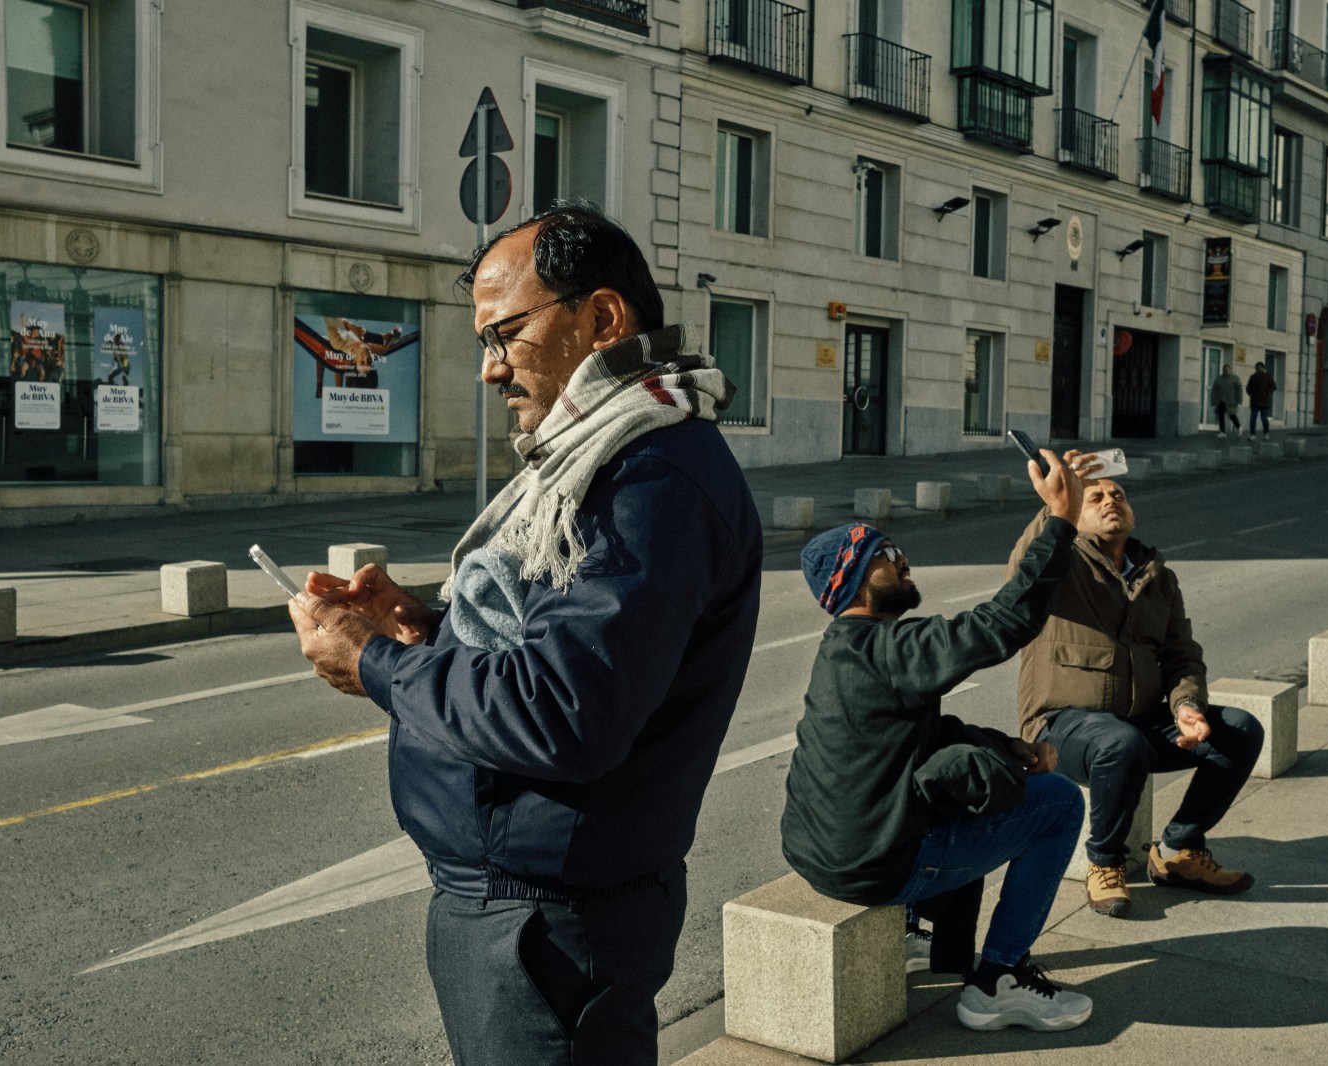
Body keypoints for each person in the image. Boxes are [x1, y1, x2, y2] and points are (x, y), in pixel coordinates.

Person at [285, 203, 763, 1066]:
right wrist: (426, 629)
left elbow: (563, 713)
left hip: (551, 923)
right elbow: (550, 644)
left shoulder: (645, 474)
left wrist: (375, 662)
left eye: (504, 333)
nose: (489, 368)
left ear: (602, 317)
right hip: (528, 905)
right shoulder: (608, 452)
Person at [781, 449, 1096, 1035]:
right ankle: (998, 980)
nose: (903, 560)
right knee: (1058, 803)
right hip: (876, 868)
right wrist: (1060, 521)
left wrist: (1006, 747)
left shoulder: (842, 652)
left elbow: (919, 737)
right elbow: (1003, 624)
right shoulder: (890, 648)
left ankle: (917, 931)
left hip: (819, 856)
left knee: (966, 776)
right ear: (853, 581)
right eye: (885, 556)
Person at [1006, 477, 1264, 919]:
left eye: (1119, 496)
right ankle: (1105, 861)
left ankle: (1179, 849)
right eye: (1095, 498)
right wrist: (1054, 506)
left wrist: (1186, 707)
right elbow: (1022, 571)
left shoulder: (1157, 576)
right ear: (1075, 516)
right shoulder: (1059, 562)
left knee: (1240, 730)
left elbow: (1182, 655)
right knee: (1119, 741)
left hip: (1138, 722)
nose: (1111, 501)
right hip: (1062, 724)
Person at [1246, 361, 1276, 439]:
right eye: (1257, 368)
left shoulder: (1267, 376)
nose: (1259, 369)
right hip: (1254, 402)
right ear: (1255, 369)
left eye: (1260, 368)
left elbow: (1274, 386)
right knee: (1253, 418)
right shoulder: (1253, 377)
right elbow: (1248, 388)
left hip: (1264, 402)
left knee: (1264, 419)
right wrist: (1252, 394)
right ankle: (1252, 434)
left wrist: (1267, 392)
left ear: (1263, 368)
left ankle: (1266, 433)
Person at [1212, 364, 1243, 438]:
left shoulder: (1235, 378)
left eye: (1227, 370)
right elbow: (1214, 390)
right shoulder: (1219, 379)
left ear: (1230, 370)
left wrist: (1239, 400)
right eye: (1224, 370)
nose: (1225, 371)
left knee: (1232, 415)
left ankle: (1239, 427)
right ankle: (1222, 432)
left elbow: (1239, 390)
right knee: (1221, 415)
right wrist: (1214, 400)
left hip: (1231, 401)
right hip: (1221, 400)